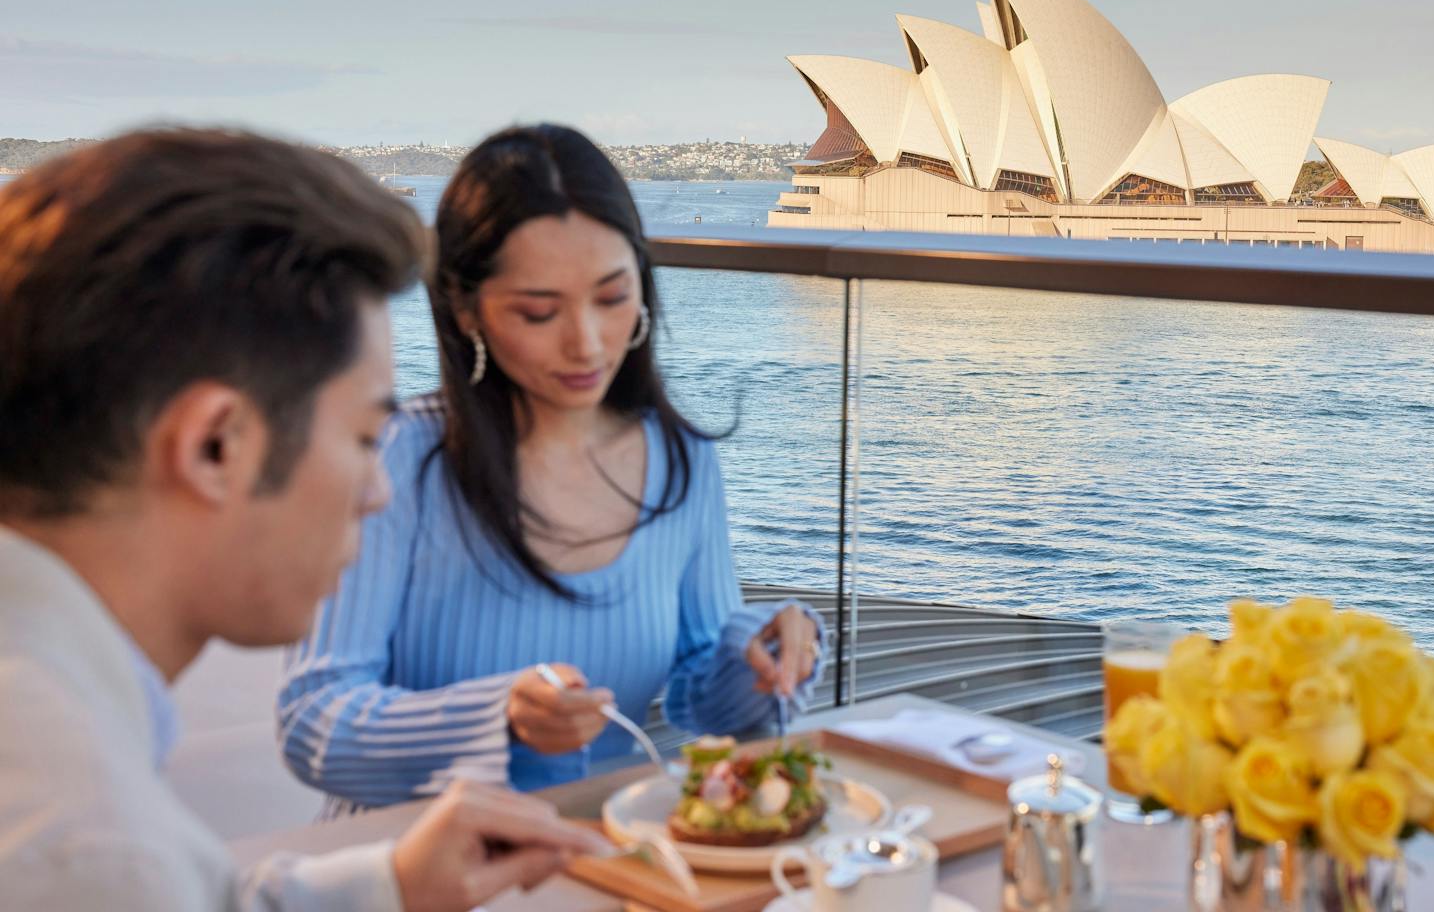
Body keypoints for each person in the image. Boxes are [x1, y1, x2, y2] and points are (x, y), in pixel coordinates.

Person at [0, 129, 608, 912]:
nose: (378, 490)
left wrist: (390, 884)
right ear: (216, 445)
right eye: (362, 437)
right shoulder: (91, 843)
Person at [278, 125, 825, 808]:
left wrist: (762, 655)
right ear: (463, 308)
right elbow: (312, 723)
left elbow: (702, 697)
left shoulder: (682, 460)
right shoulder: (402, 458)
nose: (588, 344)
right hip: (415, 878)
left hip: (606, 861)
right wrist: (496, 717)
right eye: (540, 312)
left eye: (612, 297)